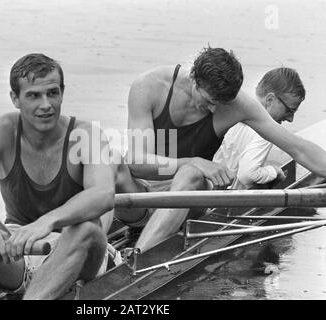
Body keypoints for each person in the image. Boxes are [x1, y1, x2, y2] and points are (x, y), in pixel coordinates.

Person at [115, 47, 326, 253]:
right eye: (209, 101)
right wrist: (193, 160)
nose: (215, 109)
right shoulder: (148, 86)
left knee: (191, 174)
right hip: (141, 200)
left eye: (221, 103)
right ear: (194, 79)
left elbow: (299, 149)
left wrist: (192, 166)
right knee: (108, 164)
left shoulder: (239, 104)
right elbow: (136, 163)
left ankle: (136, 260)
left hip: (189, 201)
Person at [0, 53, 115, 300]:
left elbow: (103, 194)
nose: (46, 105)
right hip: (18, 252)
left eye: (52, 93)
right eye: (33, 95)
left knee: (88, 227)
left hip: (79, 256)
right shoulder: (2, 130)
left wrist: (48, 222)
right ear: (15, 98)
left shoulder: (85, 134)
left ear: (62, 93)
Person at [213, 67, 306, 189]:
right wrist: (273, 171)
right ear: (270, 99)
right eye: (289, 110)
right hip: (226, 199)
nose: (290, 119)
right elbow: (246, 175)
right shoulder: (266, 131)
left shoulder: (234, 105)